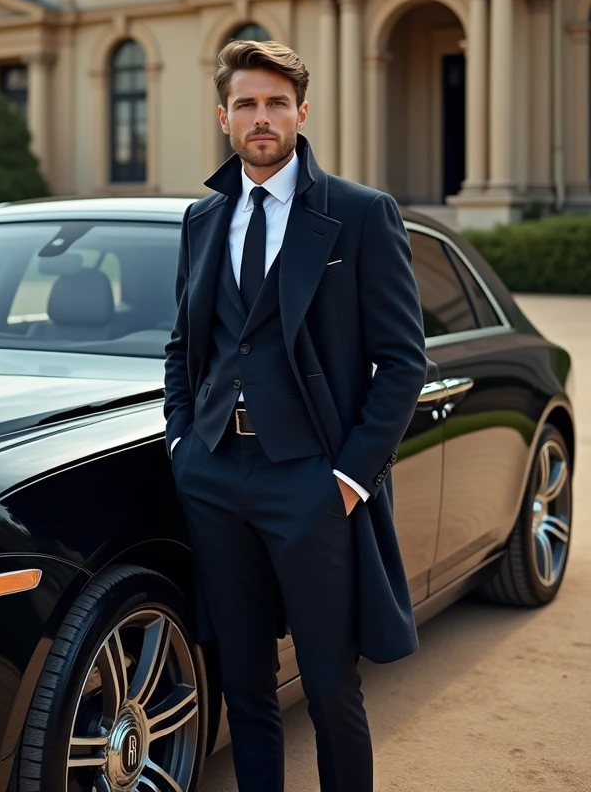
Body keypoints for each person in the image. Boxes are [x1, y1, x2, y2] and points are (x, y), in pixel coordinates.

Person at [164, 39, 427, 792]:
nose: (262, 117)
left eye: (277, 102)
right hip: (215, 476)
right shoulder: (202, 219)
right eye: (246, 103)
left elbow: (405, 363)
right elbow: (185, 346)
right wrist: (184, 444)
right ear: (224, 117)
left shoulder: (360, 214)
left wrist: (347, 477)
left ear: (302, 113)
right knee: (244, 685)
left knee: (329, 687)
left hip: (312, 482)